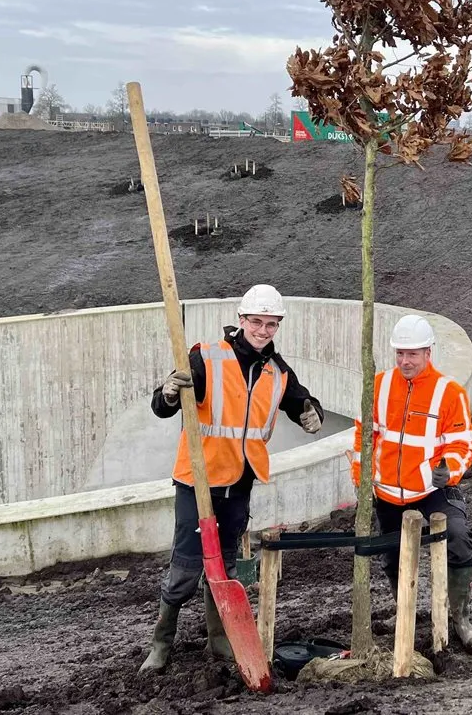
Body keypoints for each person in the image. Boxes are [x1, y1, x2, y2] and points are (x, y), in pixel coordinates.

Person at [140, 284, 325, 673]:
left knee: (222, 566)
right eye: (256, 322)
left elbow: (303, 402)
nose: (262, 330)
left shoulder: (277, 371)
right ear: (241, 321)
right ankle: (160, 643)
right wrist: (169, 392)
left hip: (239, 482)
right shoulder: (206, 358)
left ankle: (220, 638)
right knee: (187, 567)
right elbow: (162, 407)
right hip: (199, 479)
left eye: (271, 324)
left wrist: (313, 413)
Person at [350, 313, 472, 654]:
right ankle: (406, 614)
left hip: (431, 491)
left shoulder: (448, 393)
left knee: (457, 537)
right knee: (392, 557)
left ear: (429, 352)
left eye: (412, 354)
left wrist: (448, 471)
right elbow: (362, 438)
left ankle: (459, 619)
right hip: (387, 494)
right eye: (400, 353)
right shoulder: (380, 386)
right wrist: (361, 481)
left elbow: (462, 444)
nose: (405, 361)